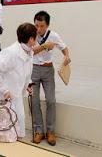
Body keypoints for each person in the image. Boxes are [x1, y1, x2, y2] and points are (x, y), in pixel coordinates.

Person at [0, 23, 37, 138]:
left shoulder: (29, 51)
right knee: (4, 127)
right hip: (5, 97)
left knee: (17, 123)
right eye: (36, 36)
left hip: (17, 96)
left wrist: (28, 83)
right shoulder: (11, 52)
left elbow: (25, 71)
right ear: (31, 39)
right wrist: (4, 90)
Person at [31, 11, 71, 146]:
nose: (38, 29)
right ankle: (38, 131)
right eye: (36, 25)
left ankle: (50, 132)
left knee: (51, 100)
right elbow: (28, 52)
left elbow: (64, 47)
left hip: (48, 70)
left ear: (47, 25)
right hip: (33, 70)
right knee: (34, 101)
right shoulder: (31, 34)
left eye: (42, 26)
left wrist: (66, 56)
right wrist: (44, 46)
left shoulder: (53, 35)